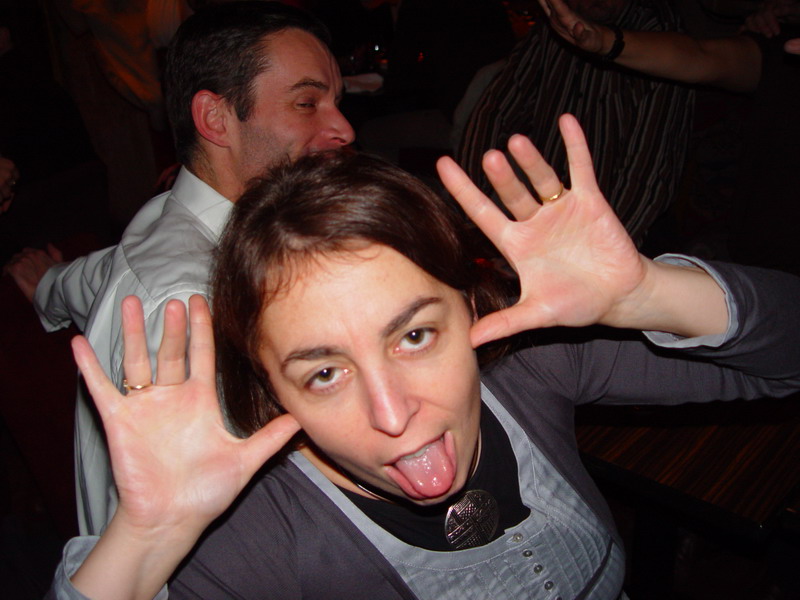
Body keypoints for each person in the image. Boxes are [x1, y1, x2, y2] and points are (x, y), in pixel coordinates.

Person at [47, 114, 800, 599]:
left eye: (414, 336)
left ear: (470, 307)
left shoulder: (523, 367)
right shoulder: (265, 536)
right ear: (272, 390)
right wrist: (146, 540)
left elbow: (781, 362)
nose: (393, 414)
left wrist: (647, 294)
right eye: (324, 373)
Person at [5, 0, 354, 537]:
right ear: (216, 118)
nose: (343, 128)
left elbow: (93, 276)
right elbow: (167, 539)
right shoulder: (187, 311)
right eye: (307, 103)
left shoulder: (183, 216)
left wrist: (47, 286)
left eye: (336, 102)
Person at [457, 0, 761, 246]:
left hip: (626, 227)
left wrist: (599, 249)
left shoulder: (657, 36)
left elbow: (648, 172)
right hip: (545, 213)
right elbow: (495, 113)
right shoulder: (548, 34)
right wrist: (470, 212)